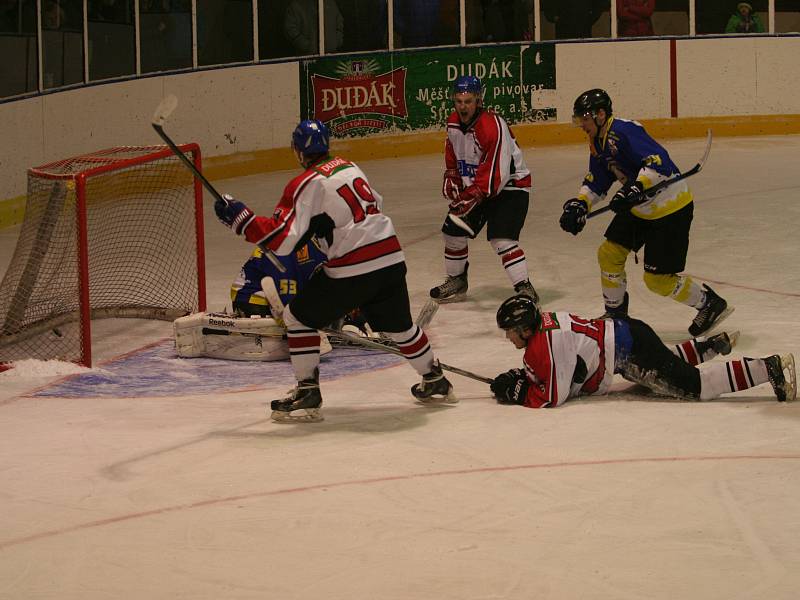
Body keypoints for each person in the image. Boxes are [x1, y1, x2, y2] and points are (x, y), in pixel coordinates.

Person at [214, 119, 455, 422]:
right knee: (400, 328)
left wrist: (242, 220)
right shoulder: (349, 167)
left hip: (355, 266)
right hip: (391, 255)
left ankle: (307, 392)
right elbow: (372, 205)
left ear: (298, 151)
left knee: (297, 318)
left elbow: (283, 239)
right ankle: (434, 379)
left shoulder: (306, 183)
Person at [559, 89, 732, 337]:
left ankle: (709, 304)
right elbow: (597, 180)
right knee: (609, 254)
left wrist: (635, 187)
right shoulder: (597, 142)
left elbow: (657, 162)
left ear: (600, 114)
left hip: (671, 209)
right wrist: (580, 204)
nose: (582, 125)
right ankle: (616, 316)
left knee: (657, 280)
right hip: (640, 208)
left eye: (584, 118)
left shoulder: (624, 130)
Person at [490, 294, 796, 408]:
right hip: (629, 336)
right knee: (662, 365)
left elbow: (554, 397)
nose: (508, 338)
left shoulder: (543, 345)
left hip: (629, 350)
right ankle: (709, 346)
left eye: (510, 331)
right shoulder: (544, 326)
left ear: (526, 329)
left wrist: (521, 394)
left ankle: (768, 368)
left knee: (697, 387)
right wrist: (528, 377)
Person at [430, 75, 538, 305]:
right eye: (459, 101)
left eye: (468, 101)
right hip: (481, 186)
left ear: (478, 100)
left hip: (510, 186)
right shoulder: (453, 123)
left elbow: (496, 175)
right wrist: (452, 174)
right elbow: (453, 151)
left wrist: (472, 196)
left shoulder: (491, 126)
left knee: (501, 239)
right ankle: (457, 279)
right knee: (452, 230)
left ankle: (524, 287)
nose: (463, 106)